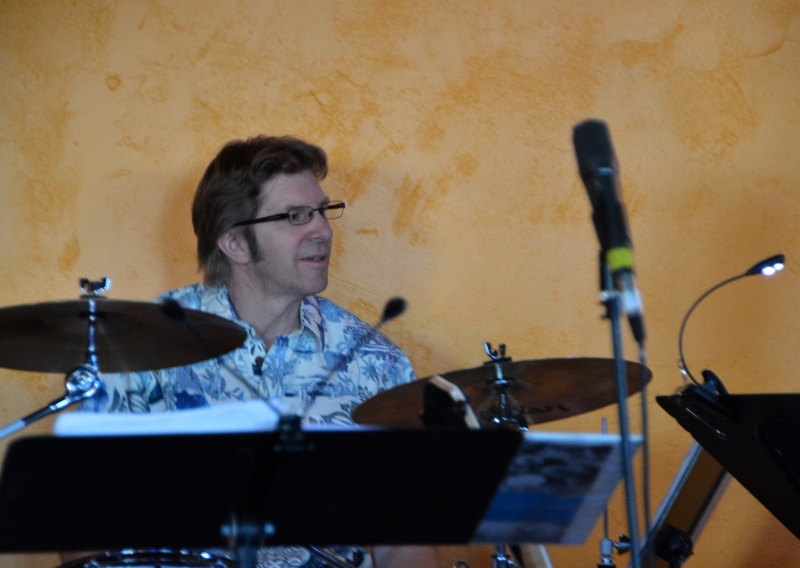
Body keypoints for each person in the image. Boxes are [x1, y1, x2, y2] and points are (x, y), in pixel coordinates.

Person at [78, 136, 435, 568]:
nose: (324, 230)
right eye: (296, 216)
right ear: (235, 243)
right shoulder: (142, 349)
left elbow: (405, 540)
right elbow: (83, 520)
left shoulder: (376, 362)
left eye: (322, 211)